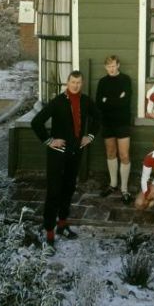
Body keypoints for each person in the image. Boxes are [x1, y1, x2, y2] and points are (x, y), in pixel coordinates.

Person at [31, 70, 99, 252]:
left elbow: (98, 117)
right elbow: (36, 122)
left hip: (75, 153)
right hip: (57, 153)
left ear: (81, 84)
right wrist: (49, 141)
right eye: (72, 82)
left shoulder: (85, 101)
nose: (75, 85)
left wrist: (89, 136)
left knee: (68, 189)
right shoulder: (58, 102)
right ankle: (49, 232)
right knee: (54, 191)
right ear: (67, 83)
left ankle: (62, 225)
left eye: (78, 82)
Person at [95, 55, 134, 203]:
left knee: (124, 155)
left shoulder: (126, 80)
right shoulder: (102, 82)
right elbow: (99, 103)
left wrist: (108, 101)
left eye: (113, 65)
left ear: (118, 65)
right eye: (108, 66)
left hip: (122, 122)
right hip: (107, 122)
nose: (111, 68)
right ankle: (113, 184)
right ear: (106, 67)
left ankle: (124, 189)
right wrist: (117, 99)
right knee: (111, 153)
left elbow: (125, 102)